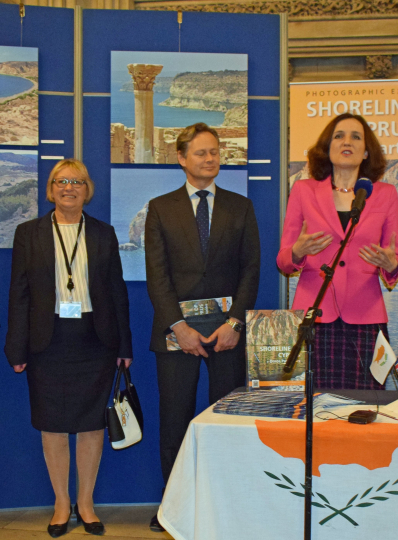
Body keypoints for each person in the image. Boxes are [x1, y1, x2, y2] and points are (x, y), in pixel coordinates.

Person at [4, 159, 132, 538]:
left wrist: (125, 344)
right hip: (47, 340)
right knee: (53, 426)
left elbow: (117, 293)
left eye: (76, 181)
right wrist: (17, 347)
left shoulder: (104, 233)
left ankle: (86, 503)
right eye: (61, 182)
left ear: (86, 189)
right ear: (51, 189)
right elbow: (19, 293)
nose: (69, 188)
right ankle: (62, 502)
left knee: (93, 425)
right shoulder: (29, 233)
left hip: (95, 340)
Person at [145, 123, 259, 532]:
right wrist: (178, 326)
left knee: (227, 421)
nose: (210, 159)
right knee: (174, 421)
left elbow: (251, 270)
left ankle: (225, 504)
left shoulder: (240, 207)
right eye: (201, 153)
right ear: (182, 158)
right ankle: (172, 509)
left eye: (215, 152)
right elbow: (156, 276)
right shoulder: (160, 207)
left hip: (227, 334)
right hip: (179, 333)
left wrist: (235, 324)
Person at [277, 113, 398, 389]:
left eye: (356, 137)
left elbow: (395, 267)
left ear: (367, 151)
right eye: (339, 135)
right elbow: (284, 261)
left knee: (367, 408)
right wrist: (298, 251)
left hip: (366, 317)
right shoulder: (303, 190)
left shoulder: (385, 194)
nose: (347, 141)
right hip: (315, 316)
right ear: (328, 147)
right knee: (316, 407)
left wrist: (390, 265)